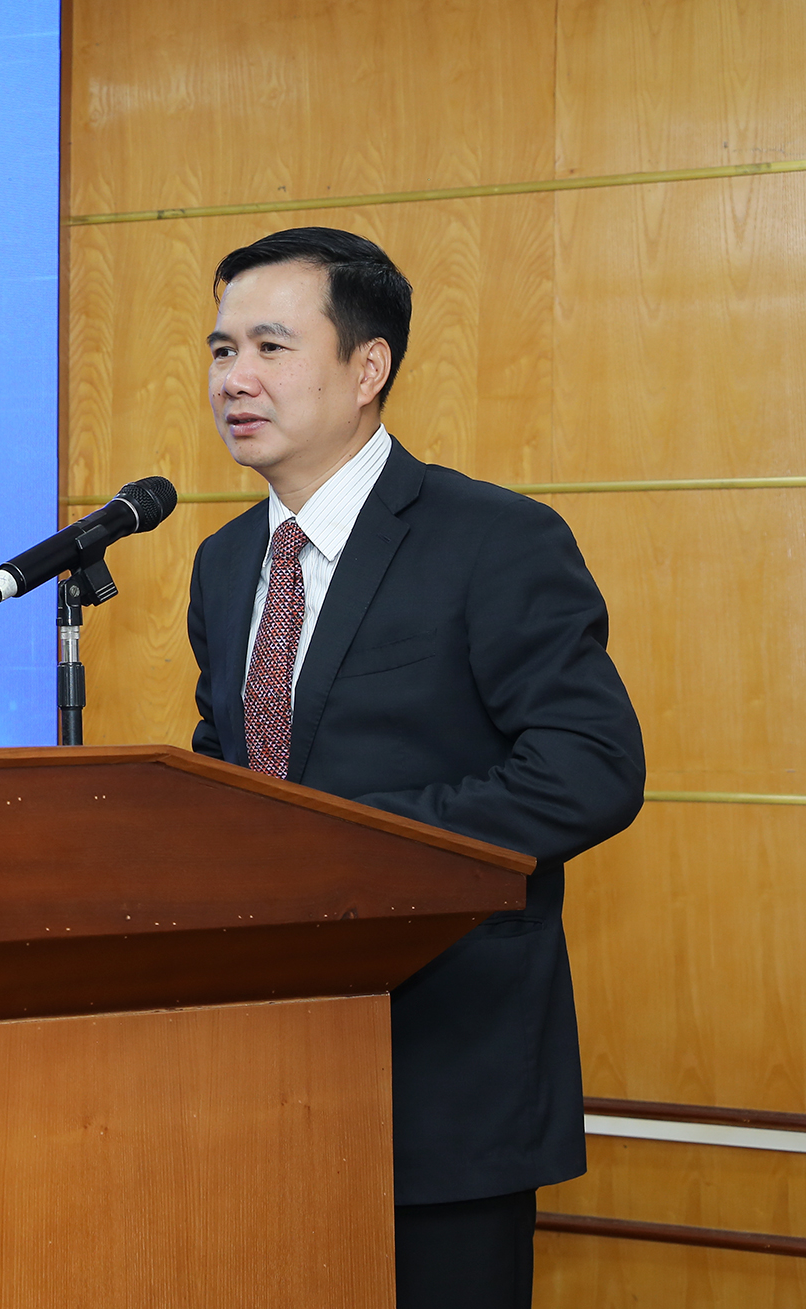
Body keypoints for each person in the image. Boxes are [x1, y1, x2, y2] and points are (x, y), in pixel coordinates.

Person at [184, 227, 645, 1309]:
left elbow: (588, 768)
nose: (235, 378)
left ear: (367, 368)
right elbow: (235, 767)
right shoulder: (224, 562)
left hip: (446, 1069)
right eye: (220, 350)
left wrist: (349, 849)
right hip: (258, 1067)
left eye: (269, 347)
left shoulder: (491, 539)